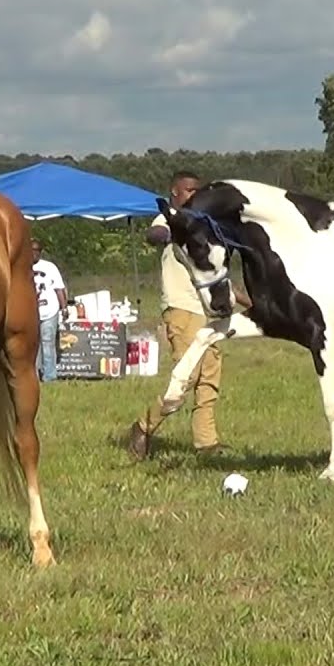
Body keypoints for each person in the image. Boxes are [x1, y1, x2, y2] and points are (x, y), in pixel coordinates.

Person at [126, 170, 250, 459]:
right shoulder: (171, 219)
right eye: (189, 190)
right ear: (175, 193)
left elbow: (216, 276)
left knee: (209, 379)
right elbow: (155, 233)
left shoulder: (204, 229)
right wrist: (168, 232)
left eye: (198, 190)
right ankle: (144, 427)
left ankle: (206, 443)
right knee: (188, 376)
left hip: (209, 313)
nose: (194, 195)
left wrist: (249, 301)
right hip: (183, 309)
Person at [31, 239, 67, 382]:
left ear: (41, 252)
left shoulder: (50, 267)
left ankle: (50, 376)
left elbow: (59, 288)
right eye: (31, 251)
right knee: (33, 345)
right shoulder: (22, 266)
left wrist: (64, 307)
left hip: (49, 311)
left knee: (47, 343)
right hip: (31, 313)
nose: (34, 254)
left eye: (36, 251)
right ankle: (33, 375)